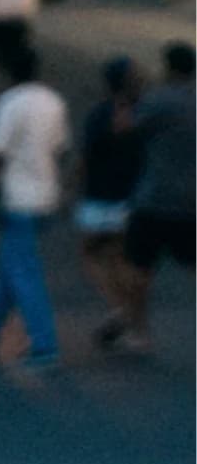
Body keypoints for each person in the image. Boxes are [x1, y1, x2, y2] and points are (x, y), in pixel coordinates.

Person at [0, 38, 68, 370]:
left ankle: (44, 343)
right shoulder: (52, 102)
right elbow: (60, 149)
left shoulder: (9, 103)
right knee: (10, 269)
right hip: (45, 194)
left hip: (16, 198)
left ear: (7, 72)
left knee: (22, 271)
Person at [122, 42, 196, 342]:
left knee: (139, 269)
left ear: (168, 67)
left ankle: (139, 331)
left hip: (154, 197)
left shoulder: (157, 101)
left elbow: (127, 129)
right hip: (191, 199)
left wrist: (131, 92)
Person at [75, 56, 149, 355]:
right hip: (130, 197)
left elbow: (86, 156)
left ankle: (121, 310)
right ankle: (131, 321)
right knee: (122, 258)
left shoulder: (99, 114)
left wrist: (72, 188)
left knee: (92, 254)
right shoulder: (143, 112)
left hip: (98, 197)